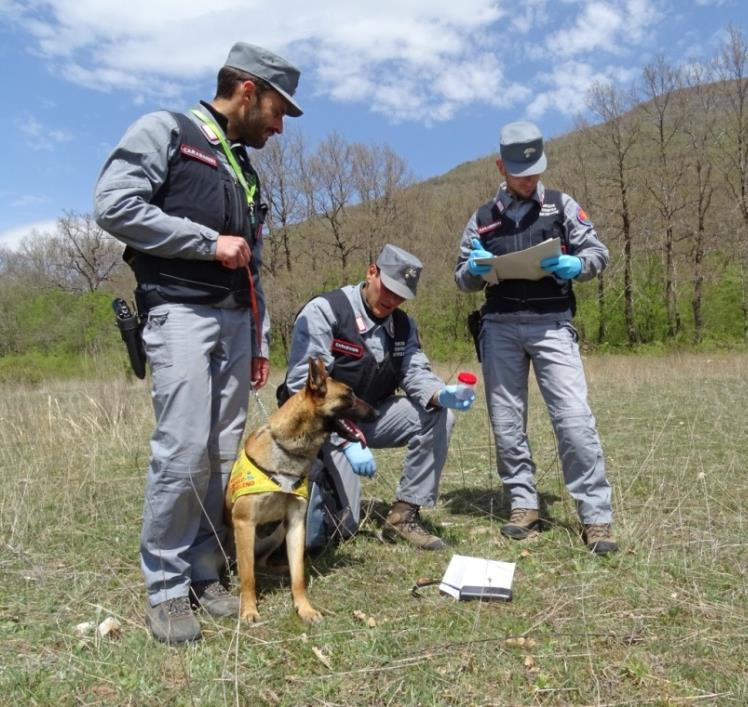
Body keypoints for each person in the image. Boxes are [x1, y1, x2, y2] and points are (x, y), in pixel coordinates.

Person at [94, 42, 303, 643]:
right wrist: (204, 242)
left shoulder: (244, 169)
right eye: (277, 111)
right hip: (179, 314)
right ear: (246, 91)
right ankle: (164, 588)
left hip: (238, 323)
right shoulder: (167, 130)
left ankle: (205, 571)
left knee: (219, 454)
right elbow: (113, 205)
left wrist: (260, 337)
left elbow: (253, 261)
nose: (279, 126)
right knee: (183, 450)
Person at [454, 121, 618, 555]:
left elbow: (598, 253)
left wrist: (576, 266)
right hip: (500, 326)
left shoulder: (563, 207)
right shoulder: (483, 219)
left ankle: (595, 517)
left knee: (574, 419)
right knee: (507, 421)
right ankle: (523, 504)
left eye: (534, 171)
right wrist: (473, 270)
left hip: (552, 324)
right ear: (500, 167)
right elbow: (461, 278)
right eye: (518, 172)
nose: (528, 179)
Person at [278, 244, 475, 552]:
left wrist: (440, 394)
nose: (392, 300)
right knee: (344, 525)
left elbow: (415, 371)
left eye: (401, 296)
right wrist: (347, 440)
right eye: (389, 288)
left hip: (369, 415)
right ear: (372, 272)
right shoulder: (326, 311)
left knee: (438, 414)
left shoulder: (403, 326)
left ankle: (405, 514)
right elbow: (303, 389)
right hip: (319, 427)